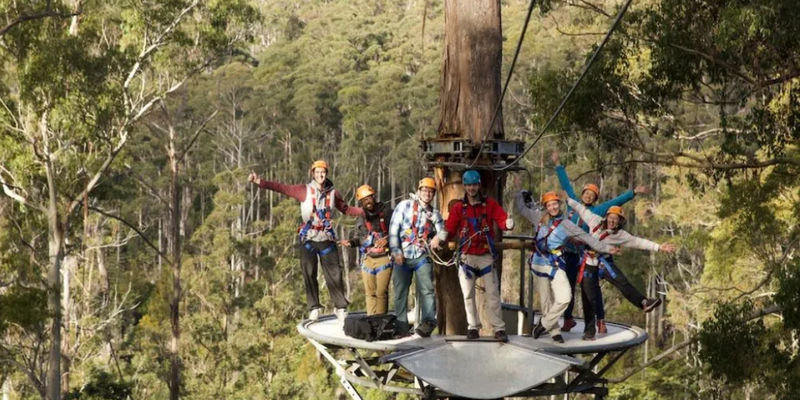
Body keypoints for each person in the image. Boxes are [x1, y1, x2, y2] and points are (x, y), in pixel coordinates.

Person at [248, 160, 362, 322]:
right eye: (317, 172)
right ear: (313, 174)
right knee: (309, 273)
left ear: (326, 174)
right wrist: (259, 182)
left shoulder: (333, 194)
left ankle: (340, 307)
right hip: (309, 238)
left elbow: (346, 209)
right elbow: (282, 188)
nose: (320, 175)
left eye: (323, 172)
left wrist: (365, 210)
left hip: (327, 239)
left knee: (334, 274)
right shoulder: (304, 190)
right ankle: (314, 307)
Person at [553, 150, 649, 334]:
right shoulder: (573, 203)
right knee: (567, 285)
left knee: (592, 288)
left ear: (595, 199)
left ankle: (600, 320)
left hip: (584, 254)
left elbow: (617, 201)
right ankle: (568, 318)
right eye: (587, 193)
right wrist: (558, 164)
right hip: (567, 251)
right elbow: (565, 183)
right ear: (582, 194)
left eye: (592, 195)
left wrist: (633, 193)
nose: (588, 196)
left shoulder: (597, 212)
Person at [515, 190, 619, 343]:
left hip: (555, 264)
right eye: (549, 205)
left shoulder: (567, 224)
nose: (553, 208)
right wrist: (519, 194)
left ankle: (543, 324)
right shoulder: (539, 217)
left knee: (565, 297)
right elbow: (523, 209)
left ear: (559, 205)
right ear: (546, 207)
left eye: (555, 204)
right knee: (546, 300)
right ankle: (554, 331)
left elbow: (586, 238)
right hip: (538, 262)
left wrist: (606, 248)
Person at [566, 198, 676, 340]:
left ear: (619, 222)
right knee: (588, 297)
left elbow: (638, 242)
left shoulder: (620, 235)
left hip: (603, 261)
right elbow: (582, 210)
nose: (612, 221)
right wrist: (568, 200)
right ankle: (589, 331)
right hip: (588, 262)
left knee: (622, 281)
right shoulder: (594, 221)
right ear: (606, 217)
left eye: (616, 219)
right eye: (611, 218)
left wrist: (659, 247)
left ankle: (643, 302)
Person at [430, 170, 515, 342]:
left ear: (479, 185)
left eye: (474, 185)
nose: (471, 188)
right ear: (465, 186)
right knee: (468, 294)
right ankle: (473, 326)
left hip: (485, 255)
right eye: (468, 185)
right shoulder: (459, 208)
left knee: (492, 293)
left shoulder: (489, 205)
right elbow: (450, 227)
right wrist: (439, 238)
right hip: (467, 256)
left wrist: (508, 223)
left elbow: (501, 219)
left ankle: (498, 328)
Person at [389, 177, 445, 337]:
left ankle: (428, 322)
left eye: (430, 191)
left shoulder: (434, 214)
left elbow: (443, 230)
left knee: (427, 289)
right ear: (419, 191)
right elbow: (393, 230)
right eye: (425, 190)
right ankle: (401, 325)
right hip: (403, 254)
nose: (427, 194)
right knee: (400, 292)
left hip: (421, 255)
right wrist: (396, 251)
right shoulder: (404, 206)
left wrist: (438, 238)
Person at [340, 185, 394, 315]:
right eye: (364, 200)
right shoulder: (362, 217)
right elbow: (359, 237)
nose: (367, 202)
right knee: (370, 293)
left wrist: (388, 239)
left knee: (381, 293)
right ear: (361, 203)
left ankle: (380, 321)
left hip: (384, 258)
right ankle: (372, 319)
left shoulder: (386, 212)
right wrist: (351, 243)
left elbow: (399, 231)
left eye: (369, 198)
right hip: (368, 259)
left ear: (374, 197)